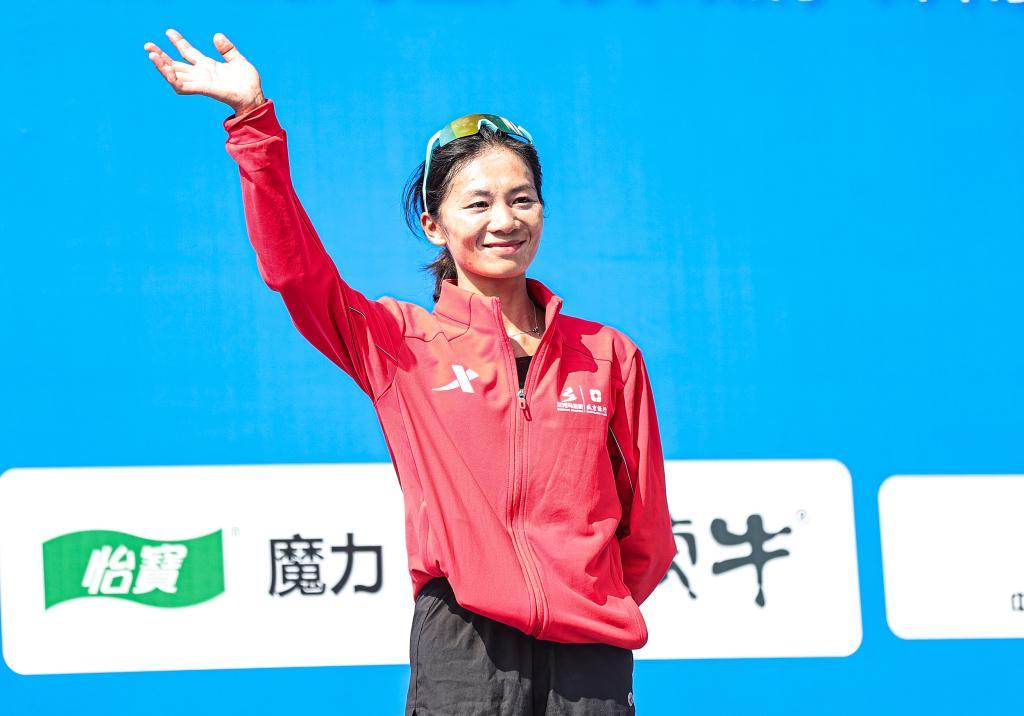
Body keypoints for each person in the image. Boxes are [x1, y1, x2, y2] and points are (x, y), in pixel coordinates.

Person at [144, 28, 677, 715]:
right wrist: (253, 124)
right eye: (478, 203)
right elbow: (296, 275)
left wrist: (586, 600)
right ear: (434, 225)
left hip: (590, 655)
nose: (505, 219)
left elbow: (647, 533)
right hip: (466, 645)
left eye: (522, 199)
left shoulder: (608, 354)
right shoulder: (401, 341)